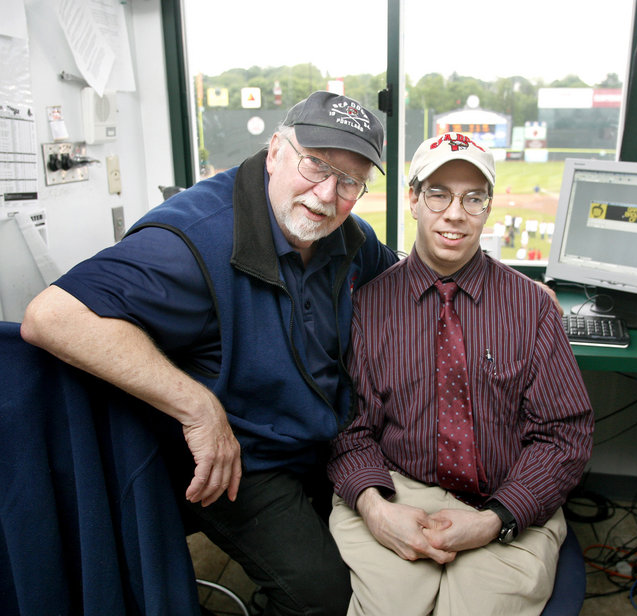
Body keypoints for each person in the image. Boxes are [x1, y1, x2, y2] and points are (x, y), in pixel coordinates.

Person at [20, 90, 399, 616]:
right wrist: (198, 409)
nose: (326, 193)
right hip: (246, 457)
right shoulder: (191, 240)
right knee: (326, 598)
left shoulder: (349, 237)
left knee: (392, 572)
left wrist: (508, 287)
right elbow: (52, 316)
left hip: (319, 437)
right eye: (315, 165)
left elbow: (404, 279)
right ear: (274, 152)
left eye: (351, 181)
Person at [327, 133, 594, 615]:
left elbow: (564, 435)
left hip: (506, 492)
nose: (455, 213)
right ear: (412, 199)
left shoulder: (531, 307)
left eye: (474, 197)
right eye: (438, 193)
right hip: (398, 487)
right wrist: (376, 509)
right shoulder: (367, 307)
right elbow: (350, 430)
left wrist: (496, 519)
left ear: (489, 206)